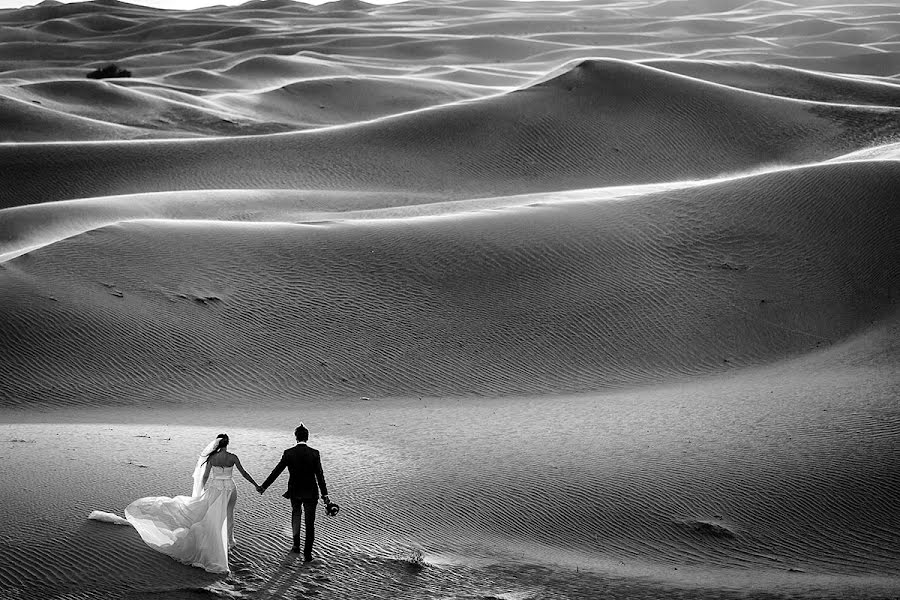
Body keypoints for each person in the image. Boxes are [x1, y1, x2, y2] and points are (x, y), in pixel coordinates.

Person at [121, 433, 259, 573]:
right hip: (230, 488)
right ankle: (230, 541)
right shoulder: (233, 457)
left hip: (215, 489)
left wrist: (200, 492)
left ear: (216, 444)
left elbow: (205, 476)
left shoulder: (212, 458)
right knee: (229, 514)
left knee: (213, 516)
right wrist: (256, 485)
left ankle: (219, 542)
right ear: (227, 443)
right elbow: (244, 473)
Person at [258, 423, 331, 561]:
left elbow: (276, 471)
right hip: (311, 492)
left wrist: (264, 486)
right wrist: (325, 495)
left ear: (296, 438)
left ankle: (296, 546)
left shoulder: (289, 453)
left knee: (296, 517)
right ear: (307, 438)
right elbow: (320, 476)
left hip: (295, 492)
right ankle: (308, 553)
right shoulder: (315, 453)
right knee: (310, 523)